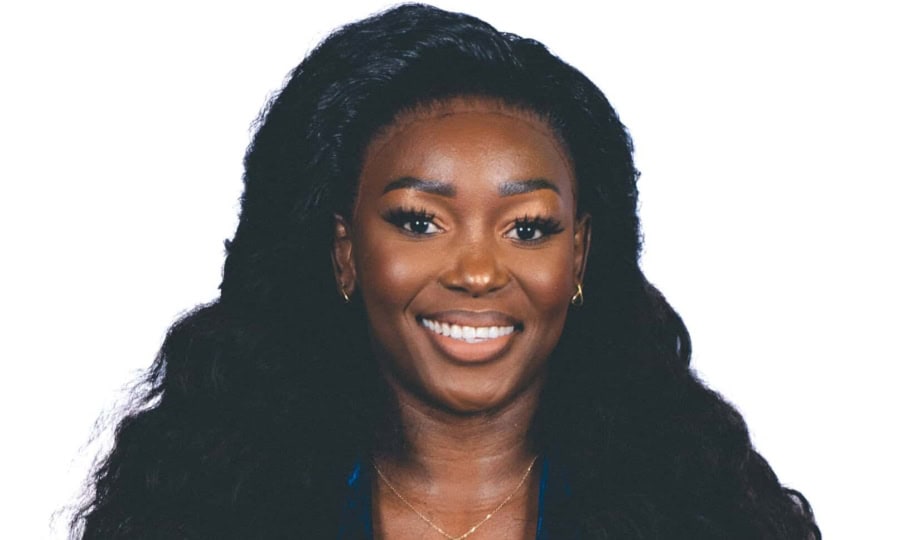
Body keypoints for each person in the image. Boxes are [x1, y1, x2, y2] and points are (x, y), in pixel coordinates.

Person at [72, 4, 820, 539]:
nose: (477, 269)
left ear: (581, 255)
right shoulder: (207, 512)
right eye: (419, 221)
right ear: (344, 252)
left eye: (527, 227)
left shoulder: (702, 515)